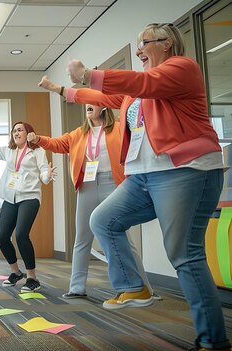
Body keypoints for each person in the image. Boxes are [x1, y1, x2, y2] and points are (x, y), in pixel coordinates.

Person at [65, 23, 229, 351]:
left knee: (184, 253)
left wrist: (89, 74)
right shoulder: (140, 91)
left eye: (144, 44)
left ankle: (213, 341)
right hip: (144, 176)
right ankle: (134, 286)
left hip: (186, 170)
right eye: (137, 45)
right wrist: (64, 90)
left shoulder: (182, 68)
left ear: (167, 43)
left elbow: (143, 82)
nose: (139, 50)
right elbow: (107, 95)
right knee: (103, 220)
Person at [28, 81, 158, 300]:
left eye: (92, 101)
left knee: (125, 238)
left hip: (115, 185)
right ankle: (76, 287)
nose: (87, 105)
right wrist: (38, 139)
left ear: (104, 105)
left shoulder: (118, 126)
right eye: (85, 103)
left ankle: (144, 287)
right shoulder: (79, 134)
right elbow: (58, 144)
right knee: (82, 238)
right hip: (87, 185)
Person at [0, 121, 56, 293]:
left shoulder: (37, 151)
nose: (16, 133)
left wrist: (48, 174)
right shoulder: (9, 151)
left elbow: (43, 174)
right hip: (10, 198)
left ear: (28, 133)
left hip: (30, 197)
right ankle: (16, 272)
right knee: (2, 236)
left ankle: (32, 278)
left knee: (21, 235)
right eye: (14, 131)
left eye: (20, 130)